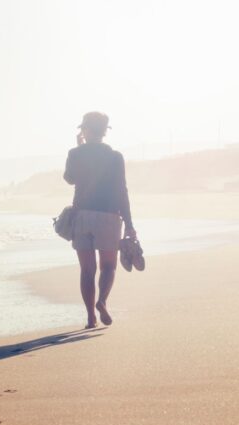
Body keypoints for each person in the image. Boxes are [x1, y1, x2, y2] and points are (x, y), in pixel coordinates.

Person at [63, 111, 136, 328]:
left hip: (83, 215)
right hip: (109, 216)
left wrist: (77, 148)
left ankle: (90, 318)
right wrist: (129, 224)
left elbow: (69, 179)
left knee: (87, 270)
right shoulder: (115, 157)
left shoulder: (75, 154)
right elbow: (122, 191)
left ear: (85, 131)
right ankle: (102, 301)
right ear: (105, 132)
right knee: (108, 266)